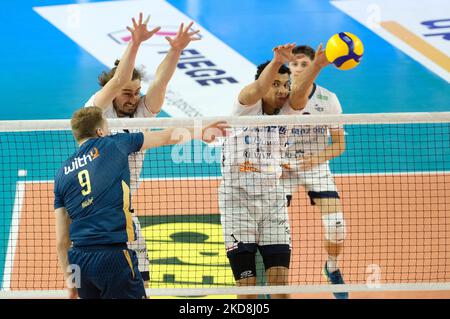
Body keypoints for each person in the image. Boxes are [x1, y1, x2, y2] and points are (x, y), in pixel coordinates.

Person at [54, 106, 227, 299]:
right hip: (113, 257)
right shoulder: (114, 143)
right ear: (100, 132)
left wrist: (71, 283)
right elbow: (166, 136)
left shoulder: (61, 173)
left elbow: (62, 242)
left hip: (80, 261)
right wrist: (200, 130)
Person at [84, 13, 201, 284]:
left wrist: (175, 50)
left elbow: (160, 82)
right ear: (112, 91)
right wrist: (135, 44)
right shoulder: (98, 110)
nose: (134, 98)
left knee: (143, 283)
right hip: (95, 213)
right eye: (127, 92)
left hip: (126, 213)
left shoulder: (142, 115)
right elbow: (117, 80)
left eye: (137, 92)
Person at [218, 42, 322, 299]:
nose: (283, 90)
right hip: (236, 201)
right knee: (248, 291)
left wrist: (318, 64)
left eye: (285, 84)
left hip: (272, 201)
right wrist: (276, 62)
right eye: (275, 84)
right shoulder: (245, 107)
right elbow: (256, 89)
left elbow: (299, 96)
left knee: (280, 290)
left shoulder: (287, 112)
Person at [281, 44, 347, 299]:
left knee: (337, 225)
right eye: (294, 64)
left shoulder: (328, 100)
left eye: (304, 65)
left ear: (313, 67)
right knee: (275, 232)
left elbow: (339, 144)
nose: (297, 69)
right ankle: (271, 283)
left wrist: (313, 160)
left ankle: (331, 267)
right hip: (281, 168)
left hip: (315, 166)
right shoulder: (278, 95)